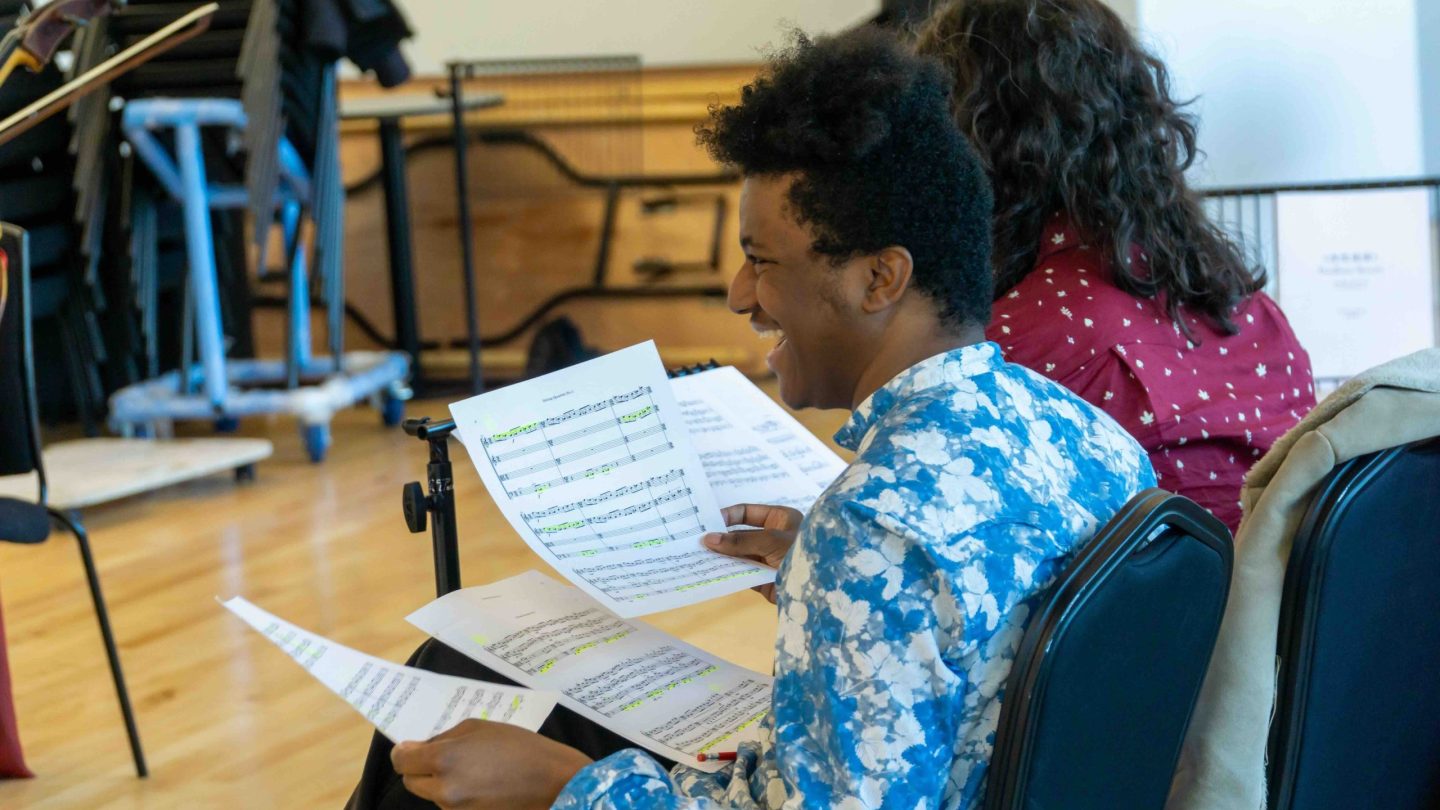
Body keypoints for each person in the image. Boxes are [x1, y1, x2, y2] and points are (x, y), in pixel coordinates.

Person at [350, 27, 1155, 809]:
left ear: (881, 279)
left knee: (461, 704)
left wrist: (565, 788)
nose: (739, 293)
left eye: (763, 261)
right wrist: (830, 590)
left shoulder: (874, 531)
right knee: (469, 666)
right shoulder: (1092, 438)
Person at [915, 0, 1315, 533]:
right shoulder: (1253, 314)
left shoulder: (1000, 352)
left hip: (1156, 616)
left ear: (962, 148)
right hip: (1270, 611)